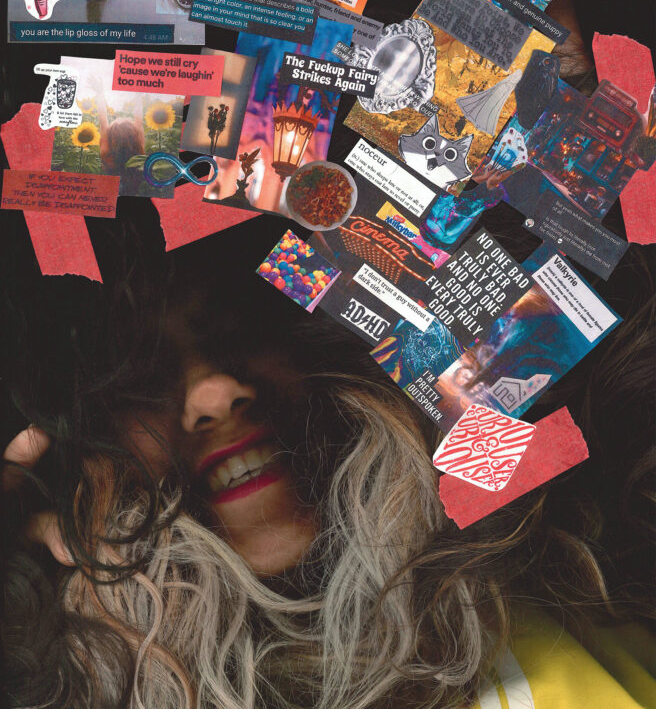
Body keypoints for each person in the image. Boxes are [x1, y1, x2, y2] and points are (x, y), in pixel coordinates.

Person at [1, 220, 653, 709]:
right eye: (143, 380)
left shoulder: (528, 517)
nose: (216, 391)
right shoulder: (73, 676)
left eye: (234, 333)